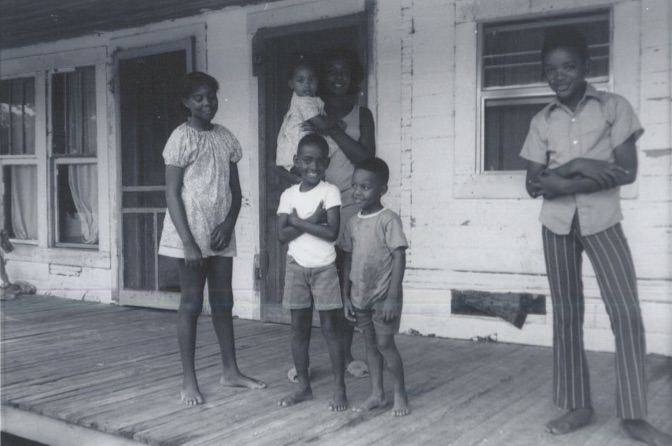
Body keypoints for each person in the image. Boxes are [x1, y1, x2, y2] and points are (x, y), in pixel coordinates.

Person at [520, 27, 672, 446]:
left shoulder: (613, 107)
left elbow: (626, 171)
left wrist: (571, 170)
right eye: (551, 69)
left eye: (568, 66)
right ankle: (577, 405)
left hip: (603, 221)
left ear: (587, 67)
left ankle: (633, 415)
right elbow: (534, 183)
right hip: (556, 226)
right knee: (567, 315)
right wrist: (580, 170)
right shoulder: (542, 120)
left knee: (625, 313)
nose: (560, 75)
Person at [158, 71, 265, 406]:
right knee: (191, 304)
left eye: (212, 97)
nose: (207, 103)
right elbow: (173, 194)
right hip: (189, 231)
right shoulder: (181, 137)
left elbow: (235, 192)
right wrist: (189, 242)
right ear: (186, 103)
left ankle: (230, 371)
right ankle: (189, 381)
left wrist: (229, 224)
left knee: (223, 301)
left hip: (219, 231)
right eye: (199, 98)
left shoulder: (225, 138)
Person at [303, 47, 376, 379]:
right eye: (330, 71)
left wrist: (332, 129)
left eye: (344, 71)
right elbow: (292, 160)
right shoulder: (308, 111)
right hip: (317, 206)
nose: (337, 78)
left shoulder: (363, 114)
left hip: (351, 207)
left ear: (353, 78)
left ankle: (346, 356)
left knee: (347, 280)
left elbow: (366, 160)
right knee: (317, 280)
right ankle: (304, 361)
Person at [276, 133, 348, 412]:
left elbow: (331, 233)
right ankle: (304, 387)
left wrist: (298, 221)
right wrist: (312, 219)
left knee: (331, 329)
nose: (313, 167)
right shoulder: (288, 195)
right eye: (307, 160)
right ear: (296, 162)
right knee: (298, 330)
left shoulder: (330, 192)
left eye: (320, 161)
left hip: (324, 269)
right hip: (296, 268)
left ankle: (339, 388)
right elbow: (282, 236)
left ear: (327, 162)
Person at [340, 157, 410, 417]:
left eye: (365, 187)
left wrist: (392, 296)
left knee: (385, 343)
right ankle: (377, 393)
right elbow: (347, 257)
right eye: (354, 186)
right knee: (370, 345)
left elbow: (399, 256)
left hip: (383, 296)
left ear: (382, 190)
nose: (357, 192)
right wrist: (346, 294)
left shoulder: (388, 219)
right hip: (360, 296)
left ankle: (400, 392)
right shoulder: (352, 222)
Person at [275, 55, 325, 177]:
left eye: (311, 80)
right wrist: (337, 123)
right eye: (300, 80)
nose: (307, 85)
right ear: (291, 84)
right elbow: (322, 123)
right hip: (294, 147)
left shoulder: (312, 99)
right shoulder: (302, 101)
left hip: (300, 149)